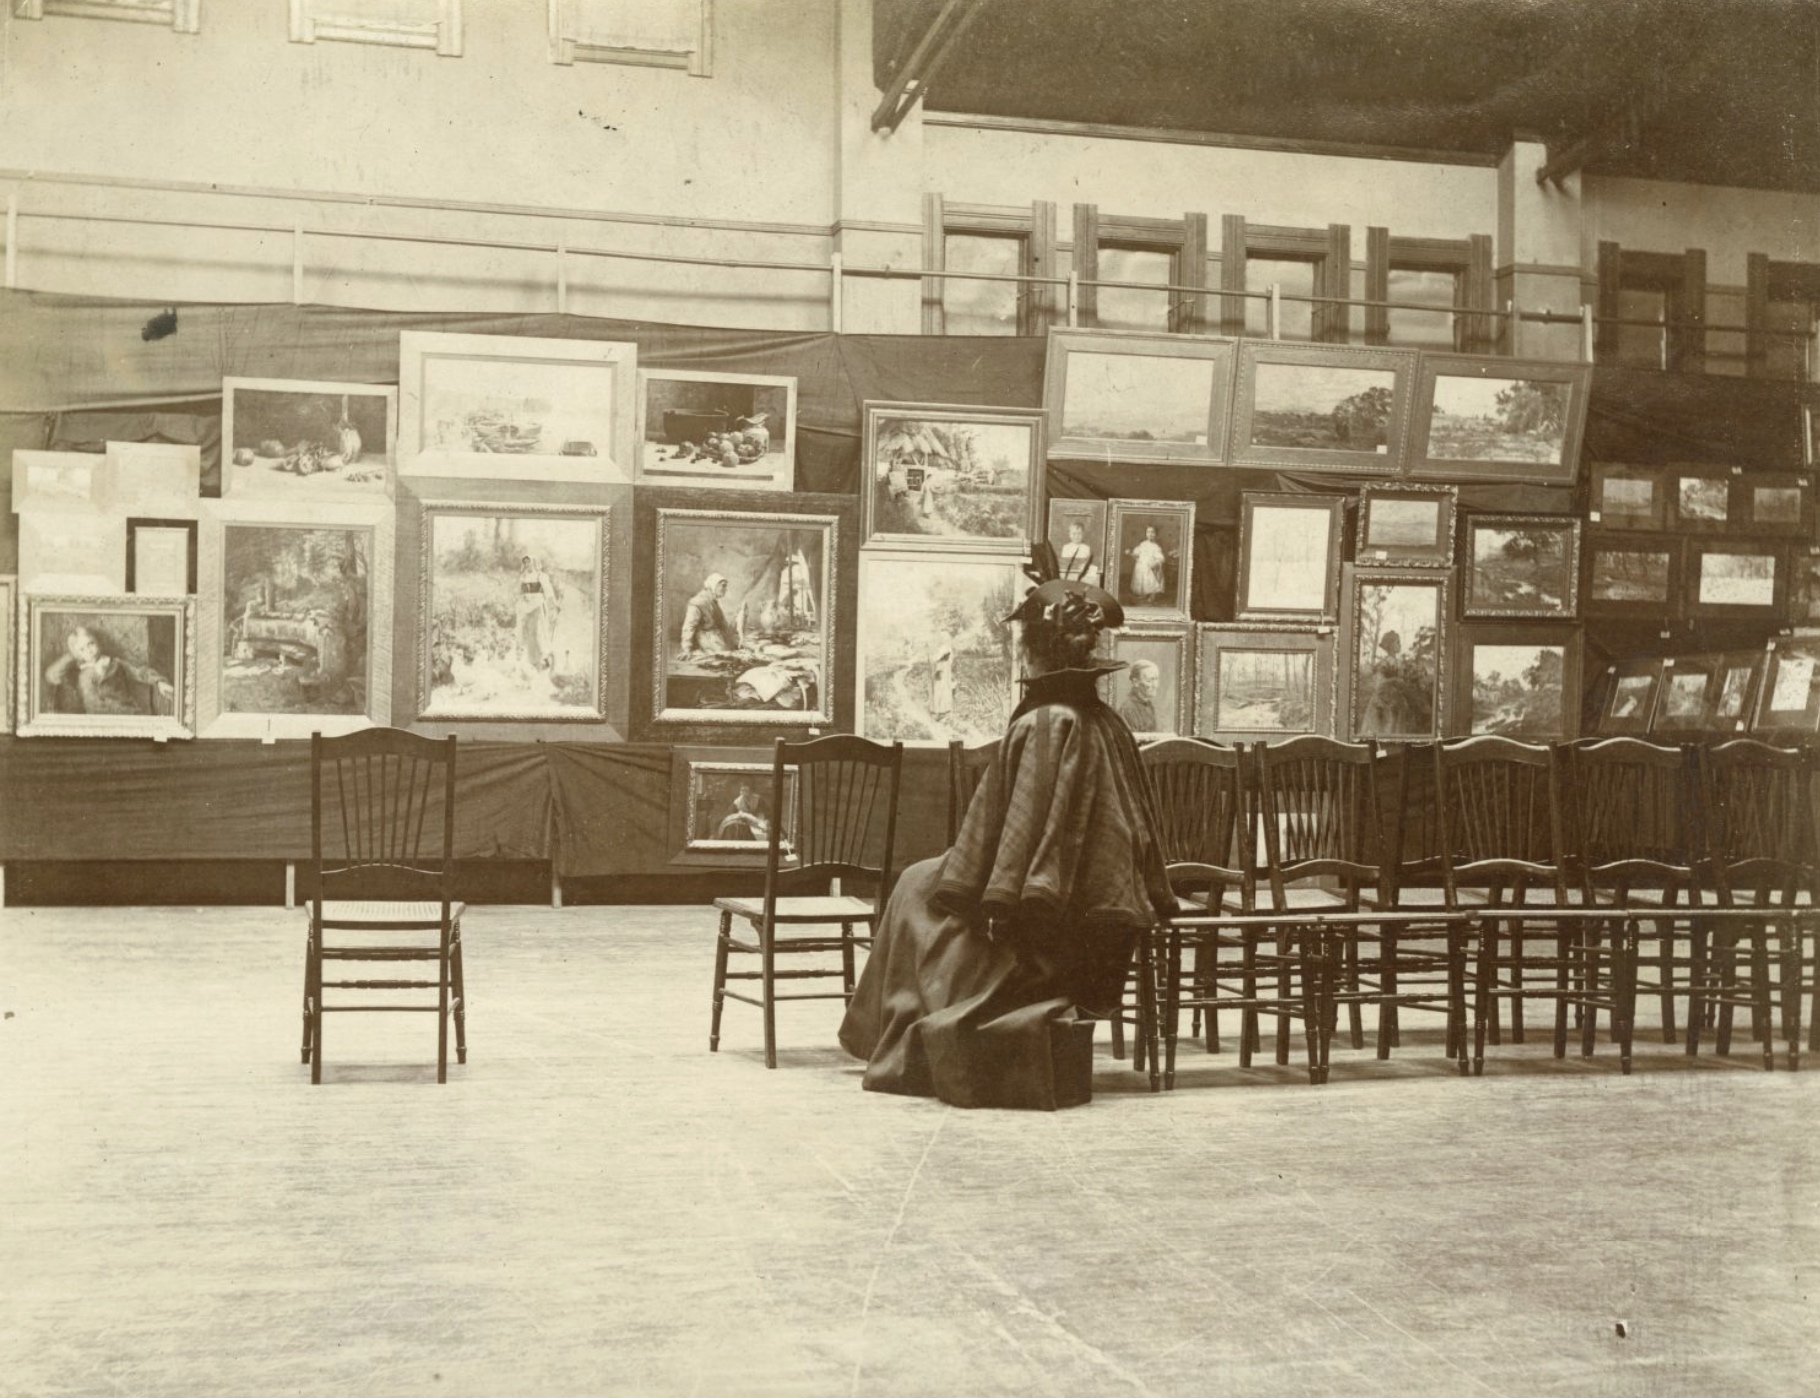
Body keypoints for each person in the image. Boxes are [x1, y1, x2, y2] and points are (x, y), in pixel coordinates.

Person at [839, 569, 1176, 1110]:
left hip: (1054, 899)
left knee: (912, 887)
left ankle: (895, 1026)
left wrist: (986, 884)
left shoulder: (1047, 721)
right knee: (919, 878)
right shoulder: (1101, 718)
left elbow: (1021, 837)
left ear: (1033, 656)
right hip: (1098, 887)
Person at [45, 625, 174, 716]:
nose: (89, 650)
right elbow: (93, 705)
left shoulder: (115, 663)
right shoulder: (84, 676)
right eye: (82, 649)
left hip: (131, 711)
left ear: (97, 642)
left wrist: (159, 682)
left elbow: (139, 672)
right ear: (77, 655)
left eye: (91, 644)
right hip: (105, 720)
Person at [515, 555, 560, 675]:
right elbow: (518, 591)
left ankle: (542, 660)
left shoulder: (541, 576)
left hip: (537, 605)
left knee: (537, 631)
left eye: (529, 562)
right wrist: (521, 596)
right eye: (525, 563)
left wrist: (553, 605)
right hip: (524, 606)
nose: (527, 565)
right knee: (525, 631)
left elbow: (548, 591)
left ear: (534, 563)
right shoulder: (523, 576)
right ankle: (530, 661)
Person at [678, 572, 739, 659]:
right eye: (723, 586)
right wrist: (686, 649)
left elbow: (723, 625)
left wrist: (736, 620)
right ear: (714, 585)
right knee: (726, 655)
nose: (725, 589)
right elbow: (689, 626)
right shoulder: (698, 602)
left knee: (737, 647)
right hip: (705, 640)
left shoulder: (713, 601)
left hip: (716, 638)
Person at [1126, 524, 1167, 604]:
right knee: (1142, 578)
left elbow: (1161, 558)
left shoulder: (1156, 547)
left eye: (1153, 532)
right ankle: (1144, 593)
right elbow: (1136, 554)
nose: (1150, 534)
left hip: (1150, 566)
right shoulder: (1142, 544)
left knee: (1151, 579)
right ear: (1146, 533)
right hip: (1141, 566)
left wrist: (1156, 563)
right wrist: (1130, 553)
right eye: (1148, 532)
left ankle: (1152, 594)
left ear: (1156, 534)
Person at [1118, 659, 1160, 733]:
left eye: (1156, 679)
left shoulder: (1149, 706)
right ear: (1136, 682)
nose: (1155, 685)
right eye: (1149, 680)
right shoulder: (1128, 709)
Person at [1058, 518, 1099, 586]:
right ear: (1069, 534)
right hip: (1070, 572)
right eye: (1074, 534)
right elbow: (1064, 562)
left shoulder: (1086, 548)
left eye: (1079, 534)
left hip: (1081, 572)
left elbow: (1087, 563)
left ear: (1083, 535)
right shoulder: (1066, 547)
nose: (1076, 536)